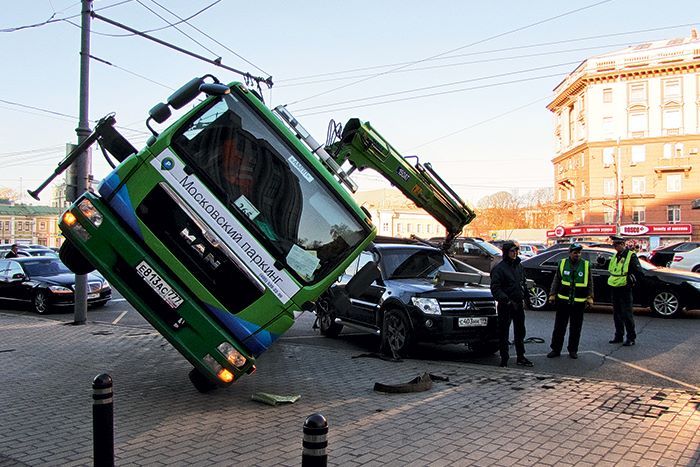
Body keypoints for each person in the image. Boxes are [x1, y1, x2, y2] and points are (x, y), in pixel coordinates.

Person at [490, 240, 533, 368]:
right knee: (503, 333)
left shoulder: (519, 266)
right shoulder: (499, 268)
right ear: (506, 252)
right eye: (512, 251)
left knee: (520, 332)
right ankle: (504, 358)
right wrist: (506, 300)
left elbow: (522, 283)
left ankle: (521, 356)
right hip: (506, 305)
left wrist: (526, 297)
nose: (515, 253)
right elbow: (495, 288)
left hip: (518, 304)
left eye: (516, 251)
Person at [547, 243, 593, 359]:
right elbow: (556, 280)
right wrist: (552, 294)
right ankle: (555, 349)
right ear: (570, 253)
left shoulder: (586, 265)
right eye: (575, 252)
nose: (577, 255)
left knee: (575, 328)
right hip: (563, 301)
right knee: (559, 327)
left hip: (579, 302)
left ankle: (573, 350)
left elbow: (590, 282)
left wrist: (590, 297)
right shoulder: (563, 263)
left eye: (579, 252)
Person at [607, 235, 641, 346]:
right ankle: (618, 336)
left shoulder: (631, 255)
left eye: (616, 245)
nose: (615, 247)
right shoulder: (616, 255)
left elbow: (638, 271)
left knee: (627, 314)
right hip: (614, 287)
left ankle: (631, 337)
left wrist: (631, 280)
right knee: (617, 314)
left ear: (622, 244)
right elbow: (612, 269)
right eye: (614, 246)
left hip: (625, 288)